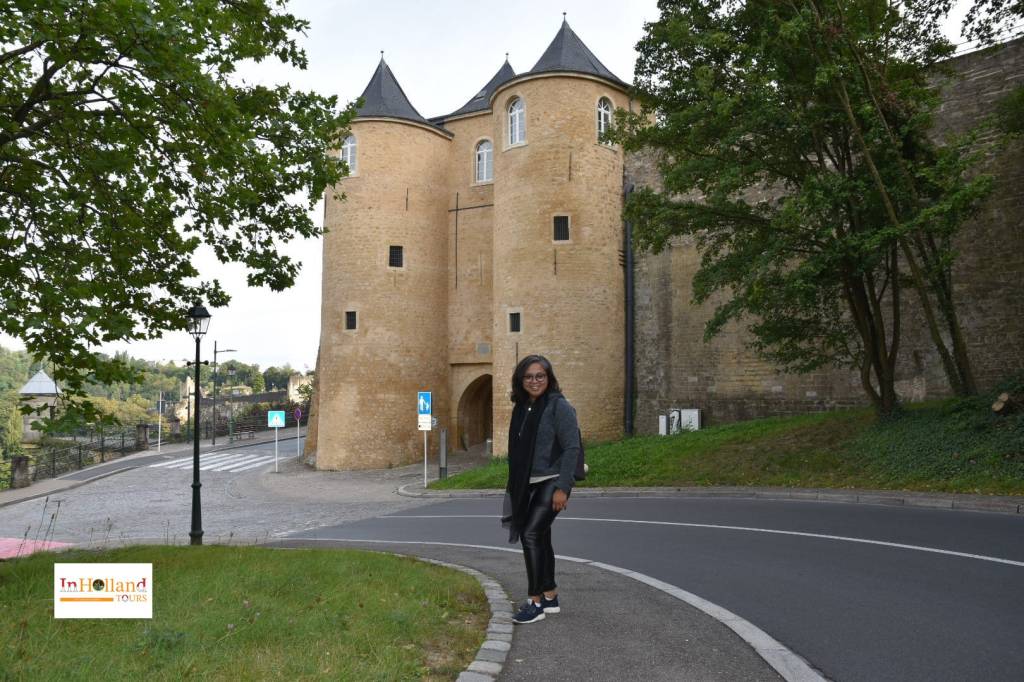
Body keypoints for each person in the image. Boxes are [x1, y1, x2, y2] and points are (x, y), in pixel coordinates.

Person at [502, 354, 581, 625]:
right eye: (529, 376)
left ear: (549, 378)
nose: (535, 381)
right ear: (520, 380)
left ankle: (534, 602)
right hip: (528, 482)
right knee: (541, 536)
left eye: (540, 376)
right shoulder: (523, 408)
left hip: (553, 480)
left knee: (531, 533)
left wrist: (563, 488)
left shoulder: (558, 406)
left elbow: (572, 447)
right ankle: (550, 595)